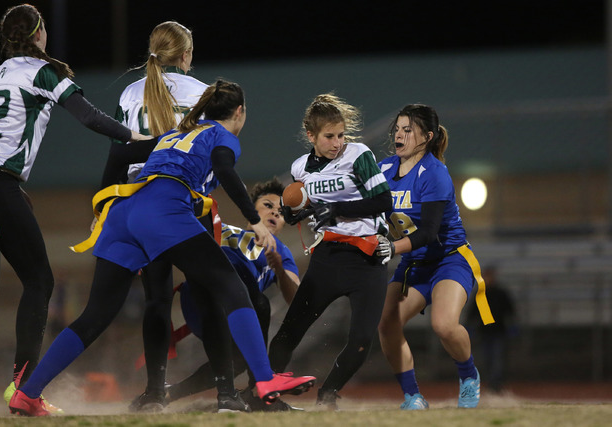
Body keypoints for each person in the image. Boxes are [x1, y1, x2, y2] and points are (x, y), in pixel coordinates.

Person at [7, 79, 316, 417]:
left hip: (124, 212)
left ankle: (28, 393)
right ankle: (265, 379)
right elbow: (225, 170)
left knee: (95, 314)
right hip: (163, 208)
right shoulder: (222, 135)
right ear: (239, 112)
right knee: (231, 287)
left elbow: (122, 153)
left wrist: (101, 211)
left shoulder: (174, 134)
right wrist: (253, 221)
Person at [0, 3, 149, 413]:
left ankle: (22, 386)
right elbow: (88, 117)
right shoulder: (42, 71)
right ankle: (24, 389)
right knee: (40, 282)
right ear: (38, 34)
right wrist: (137, 137)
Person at [100, 20, 208, 412]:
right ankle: (230, 385)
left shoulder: (131, 92)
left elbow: (117, 154)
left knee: (156, 300)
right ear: (185, 55)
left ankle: (154, 390)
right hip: (184, 200)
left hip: (138, 204)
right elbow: (210, 154)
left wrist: (103, 208)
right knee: (214, 289)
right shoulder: (202, 93)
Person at [268, 93, 393, 410]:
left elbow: (383, 202)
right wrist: (295, 212)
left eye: (340, 135)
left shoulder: (359, 154)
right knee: (291, 329)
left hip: (368, 258)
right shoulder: (300, 168)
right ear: (311, 136)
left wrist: (335, 208)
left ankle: (328, 394)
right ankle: (265, 392)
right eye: (329, 136)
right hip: (329, 256)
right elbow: (306, 209)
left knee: (363, 340)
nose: (337, 143)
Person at [375, 104, 494, 410]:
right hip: (414, 264)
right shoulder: (384, 169)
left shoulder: (436, 173)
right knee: (386, 323)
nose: (399, 135)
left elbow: (428, 233)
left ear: (426, 137)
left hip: (448, 260)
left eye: (408, 129)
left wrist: (390, 247)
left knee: (443, 324)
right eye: (397, 128)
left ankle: (469, 376)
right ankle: (413, 397)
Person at [163, 178, 302, 412]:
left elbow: (295, 298)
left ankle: (169, 392)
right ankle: (259, 392)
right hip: (201, 301)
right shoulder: (222, 228)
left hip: (239, 312)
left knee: (238, 359)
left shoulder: (281, 252)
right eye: (268, 205)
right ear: (251, 208)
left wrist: (278, 268)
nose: (274, 213)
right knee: (258, 303)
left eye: (281, 212)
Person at [466, 266, 516, 392]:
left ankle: (496, 384)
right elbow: (472, 313)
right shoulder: (481, 294)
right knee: (487, 359)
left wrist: (512, 326)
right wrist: (469, 327)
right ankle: (491, 383)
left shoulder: (500, 293)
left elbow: (510, 311)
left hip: (498, 331)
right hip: (484, 332)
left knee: (498, 359)